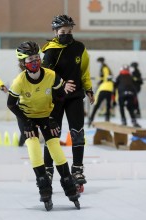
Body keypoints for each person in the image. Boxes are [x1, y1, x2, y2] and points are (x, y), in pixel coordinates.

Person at [7, 41, 80, 210]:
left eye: (36, 57)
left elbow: (61, 97)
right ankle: (44, 186)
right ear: (23, 63)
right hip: (27, 117)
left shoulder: (51, 75)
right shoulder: (19, 81)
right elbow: (11, 104)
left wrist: (54, 117)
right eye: (30, 59)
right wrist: (25, 122)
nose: (35, 61)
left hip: (46, 115)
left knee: (55, 147)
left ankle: (68, 184)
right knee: (33, 147)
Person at [41, 15, 95, 189]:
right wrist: (62, 84)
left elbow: (84, 71)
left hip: (75, 98)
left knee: (78, 132)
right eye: (63, 32)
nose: (67, 34)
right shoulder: (50, 51)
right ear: (55, 32)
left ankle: (77, 169)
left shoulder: (79, 47)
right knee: (52, 135)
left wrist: (88, 89)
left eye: (69, 31)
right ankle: (48, 170)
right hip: (56, 99)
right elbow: (45, 75)